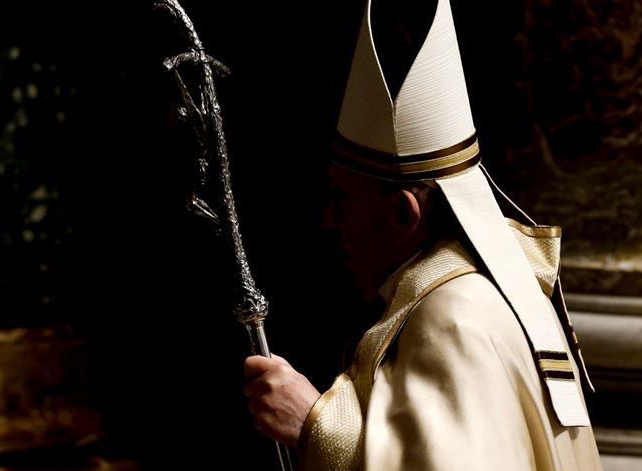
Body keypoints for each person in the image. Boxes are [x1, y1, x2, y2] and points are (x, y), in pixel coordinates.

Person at [242, 0, 603, 469]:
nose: (328, 221)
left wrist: (316, 426)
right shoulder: (485, 295)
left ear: (401, 214)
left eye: (342, 200)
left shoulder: (454, 317)